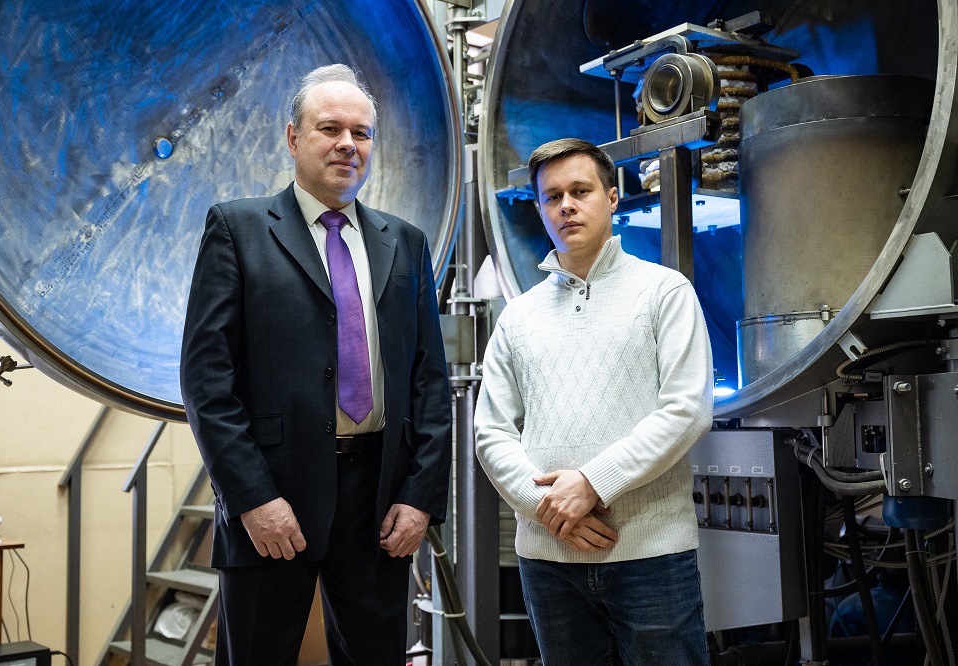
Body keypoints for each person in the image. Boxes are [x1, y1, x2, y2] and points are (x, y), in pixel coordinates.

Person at [180, 64, 452, 665]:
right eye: (330, 129)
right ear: (293, 137)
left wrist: (421, 496)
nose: (347, 144)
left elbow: (430, 381)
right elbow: (206, 382)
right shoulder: (238, 229)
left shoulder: (405, 242)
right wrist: (252, 497)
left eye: (361, 133)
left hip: (379, 501)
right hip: (275, 494)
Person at [474, 138, 714, 665]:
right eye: (552, 196)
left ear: (612, 197)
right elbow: (491, 431)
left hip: (650, 555)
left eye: (580, 191)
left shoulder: (664, 292)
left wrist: (590, 483)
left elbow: (687, 408)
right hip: (548, 558)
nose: (566, 206)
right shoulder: (518, 317)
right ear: (540, 209)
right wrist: (547, 508)